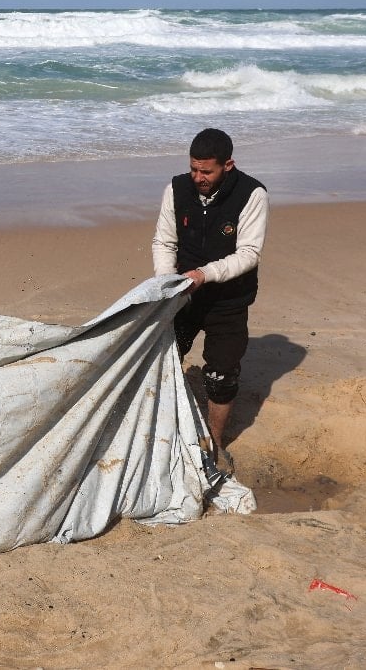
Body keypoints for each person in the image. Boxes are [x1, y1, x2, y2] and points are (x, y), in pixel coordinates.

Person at [151, 128, 268, 473]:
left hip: (229, 298)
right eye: (194, 170)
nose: (198, 178)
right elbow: (164, 242)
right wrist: (164, 283)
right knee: (165, 359)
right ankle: (164, 427)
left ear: (227, 165)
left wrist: (204, 274)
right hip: (183, 296)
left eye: (206, 172)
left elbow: (249, 254)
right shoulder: (176, 188)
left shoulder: (253, 194)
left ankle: (215, 442)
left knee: (221, 375)